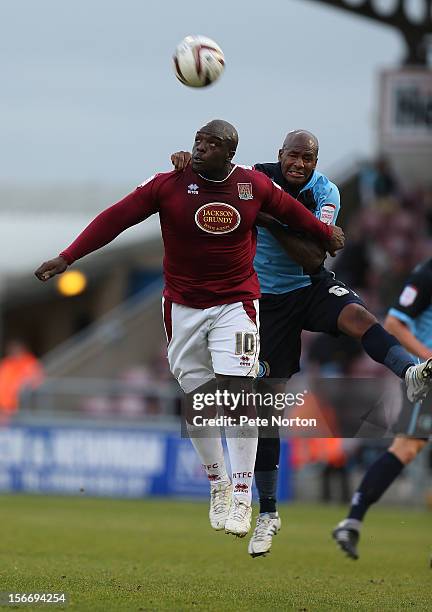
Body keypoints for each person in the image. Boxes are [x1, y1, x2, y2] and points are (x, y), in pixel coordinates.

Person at [35, 119, 343, 539]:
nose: (199, 148)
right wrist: (67, 257)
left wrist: (327, 232)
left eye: (210, 143)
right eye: (198, 140)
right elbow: (116, 218)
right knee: (197, 405)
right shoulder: (168, 184)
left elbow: (294, 215)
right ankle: (217, 483)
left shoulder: (251, 186)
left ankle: (240, 496)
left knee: (239, 393)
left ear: (229, 153)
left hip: (237, 304)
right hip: (182, 307)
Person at [171, 130, 432, 557]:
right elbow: (212, 184)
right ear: (281, 155)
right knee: (267, 406)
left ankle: (411, 372)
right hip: (263, 303)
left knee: (358, 316)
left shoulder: (325, 191)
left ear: (314, 161)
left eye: (307, 158)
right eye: (293, 156)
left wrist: (268, 218)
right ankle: (269, 513)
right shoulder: (253, 179)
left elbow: (313, 257)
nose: (299, 164)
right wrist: (187, 163)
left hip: (308, 286)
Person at [333, 258, 432, 560]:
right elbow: (393, 323)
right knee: (407, 447)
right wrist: (429, 358)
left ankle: (352, 521)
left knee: (408, 447)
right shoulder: (426, 275)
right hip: (427, 378)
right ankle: (352, 519)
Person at [0, 339, 44, 421]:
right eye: (11, 350)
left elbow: (37, 378)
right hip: (3, 404)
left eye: (15, 349)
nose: (13, 352)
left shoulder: (28, 361)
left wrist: (25, 383)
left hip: (19, 404)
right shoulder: (7, 362)